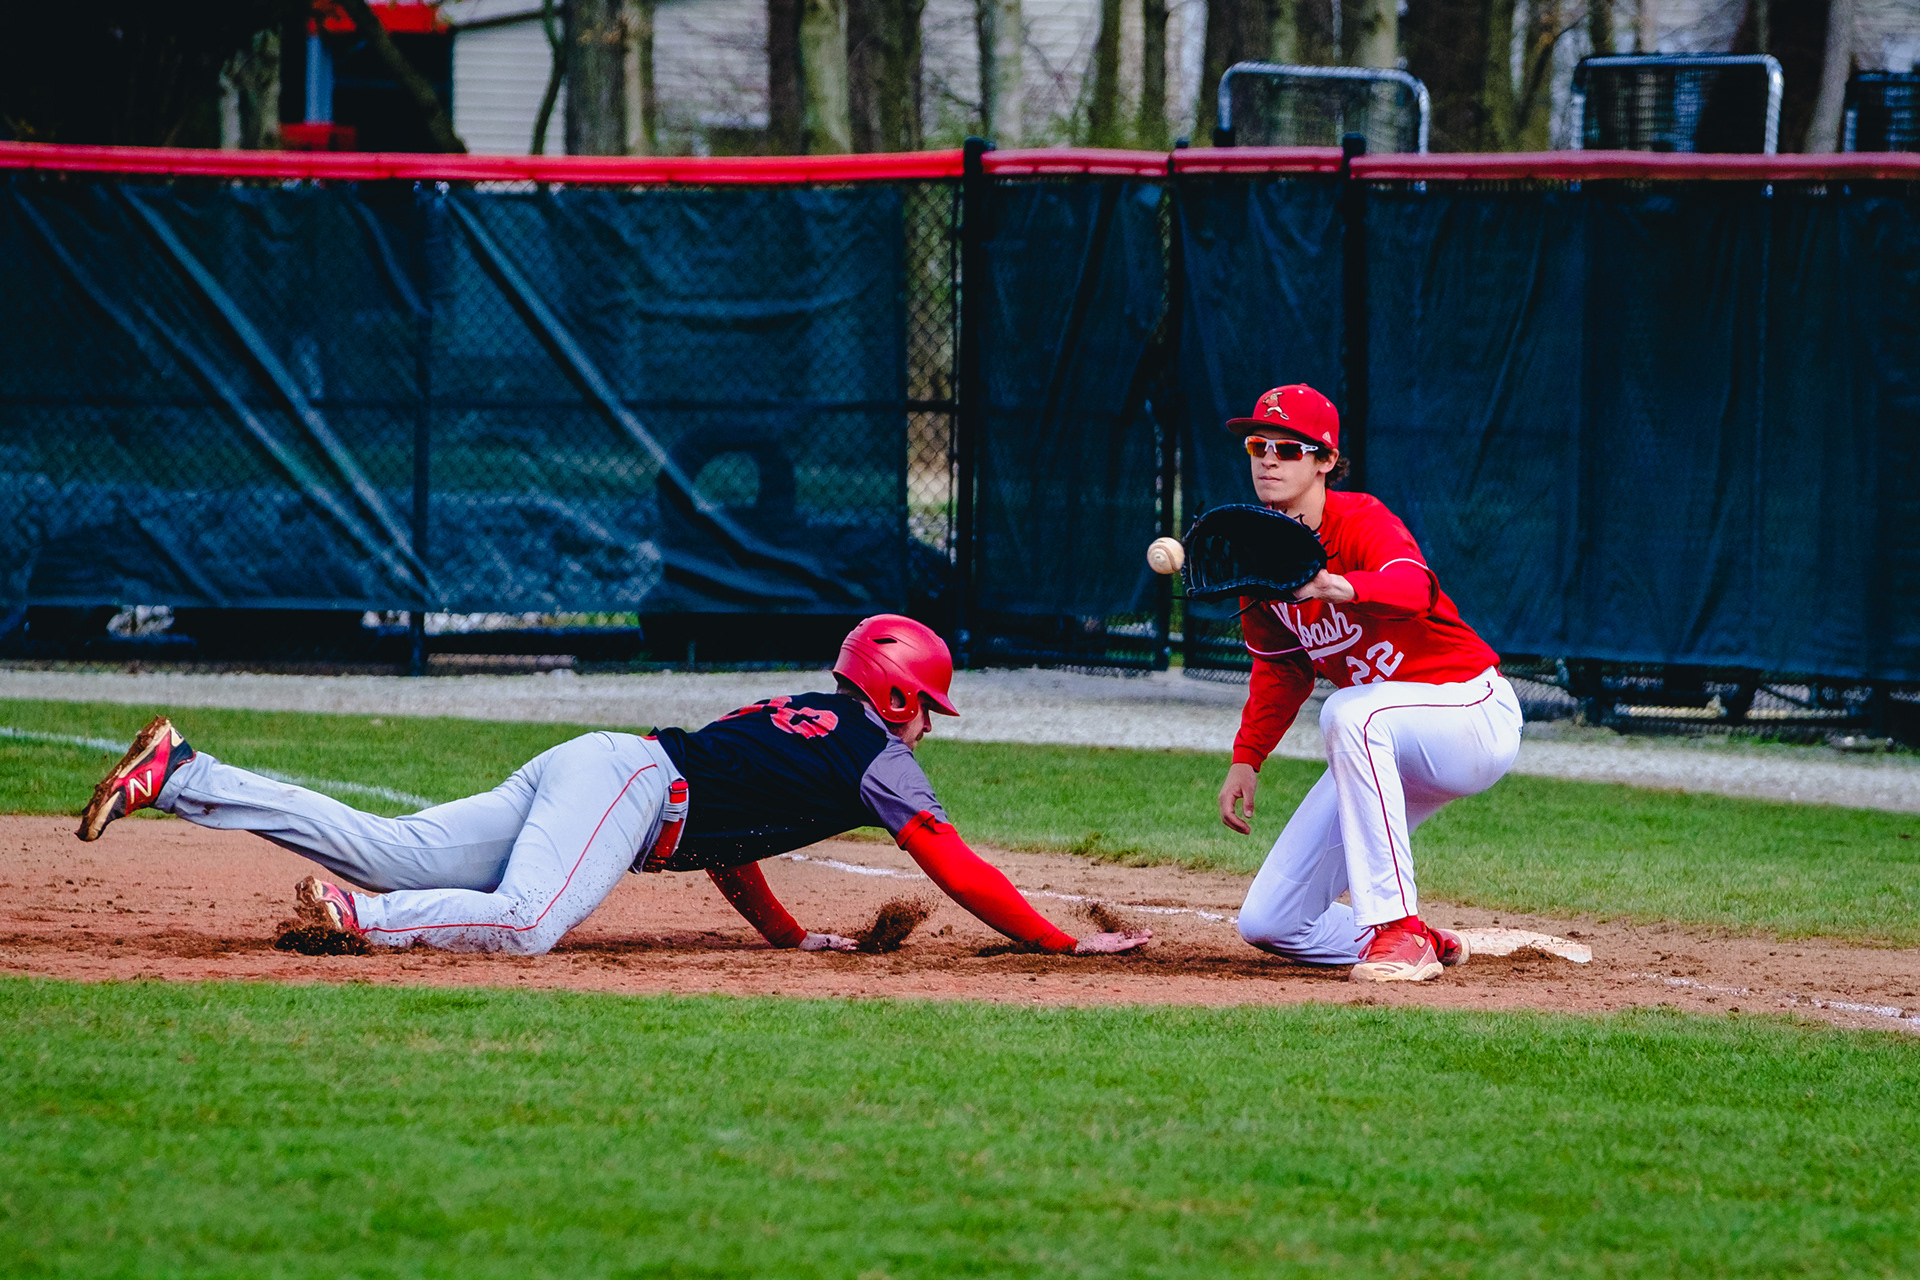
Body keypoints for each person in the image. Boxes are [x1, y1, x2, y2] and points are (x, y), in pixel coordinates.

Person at [76, 615, 1150, 958]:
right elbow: (955, 863)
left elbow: (732, 834)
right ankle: (359, 918)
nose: (926, 724)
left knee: (389, 839)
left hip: (606, 765)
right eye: (926, 704)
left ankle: (185, 771)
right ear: (901, 695)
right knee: (526, 925)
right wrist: (1062, 942)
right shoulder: (879, 754)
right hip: (628, 783)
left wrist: (784, 936)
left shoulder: (798, 720)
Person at [1216, 385, 1522, 983]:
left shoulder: (1360, 520)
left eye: (1289, 448)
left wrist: (1344, 586)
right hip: (1384, 743)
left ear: (1326, 460)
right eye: (1259, 445)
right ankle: (1423, 940)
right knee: (1270, 923)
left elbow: (1415, 588)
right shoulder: (1258, 557)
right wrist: (1247, 758)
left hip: (1469, 713)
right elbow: (1281, 668)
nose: (1269, 459)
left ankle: (1399, 930)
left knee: (1351, 713)